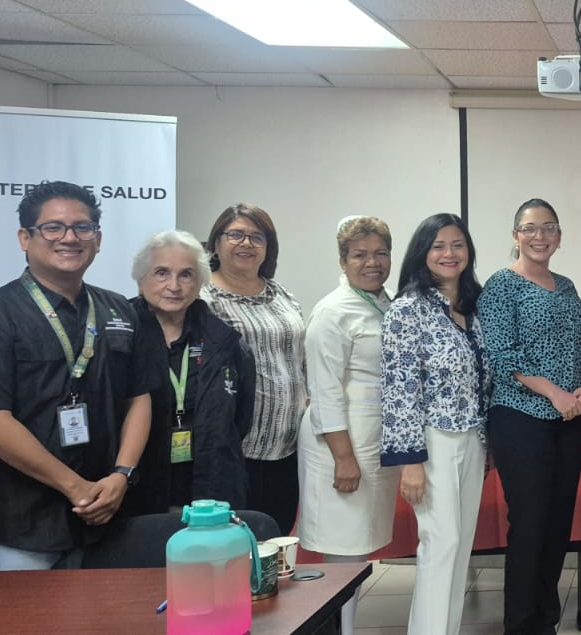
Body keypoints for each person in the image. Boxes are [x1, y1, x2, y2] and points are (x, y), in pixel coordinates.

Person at [0, 181, 151, 570]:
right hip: (27, 524)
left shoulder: (120, 310)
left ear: (98, 239)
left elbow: (139, 398)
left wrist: (122, 475)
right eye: (53, 227)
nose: (70, 238)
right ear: (25, 238)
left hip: (109, 515)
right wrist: (76, 488)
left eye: (82, 228)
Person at [477, 199, 581, 635]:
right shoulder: (501, 285)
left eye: (548, 228)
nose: (539, 236)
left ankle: (545, 621)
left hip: (570, 421)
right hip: (520, 417)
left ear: (559, 236)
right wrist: (554, 393)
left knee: (558, 524)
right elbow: (503, 354)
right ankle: (522, 625)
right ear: (516, 236)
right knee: (530, 523)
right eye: (529, 228)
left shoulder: (566, 286)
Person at [381, 213, 491, 635]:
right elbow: (399, 389)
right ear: (422, 253)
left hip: (473, 438)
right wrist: (410, 462)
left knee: (460, 547)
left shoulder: (474, 307)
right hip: (432, 442)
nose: (449, 253)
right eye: (438, 246)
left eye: (457, 244)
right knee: (441, 544)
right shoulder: (407, 310)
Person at [299, 216, 400, 635]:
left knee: (358, 550)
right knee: (342, 554)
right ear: (343, 261)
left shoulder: (384, 303)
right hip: (340, 446)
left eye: (380, 253)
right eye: (360, 255)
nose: (371, 263)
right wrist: (344, 458)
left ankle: (345, 628)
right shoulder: (333, 312)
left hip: (373, 442)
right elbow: (324, 392)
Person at [126, 230, 255, 515]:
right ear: (140, 280)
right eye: (162, 273)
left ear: (199, 284)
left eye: (186, 275)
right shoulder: (119, 339)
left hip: (210, 487)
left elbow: (240, 419)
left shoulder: (225, 342)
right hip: (135, 489)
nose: (174, 286)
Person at [202, 203, 306, 535]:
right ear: (216, 243)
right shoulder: (204, 299)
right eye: (235, 235)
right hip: (236, 451)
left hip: (288, 448)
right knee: (237, 542)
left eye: (257, 237)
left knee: (276, 537)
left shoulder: (281, 294)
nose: (246, 243)